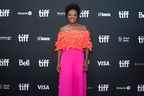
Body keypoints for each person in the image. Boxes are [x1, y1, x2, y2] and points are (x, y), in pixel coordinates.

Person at [54, 3, 93, 96]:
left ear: (78, 16)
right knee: (66, 83)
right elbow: (60, 47)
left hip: (79, 58)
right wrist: (58, 63)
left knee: (78, 83)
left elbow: (87, 47)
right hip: (66, 59)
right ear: (67, 16)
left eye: (75, 15)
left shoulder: (83, 29)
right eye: (70, 15)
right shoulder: (62, 29)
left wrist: (85, 61)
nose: (72, 17)